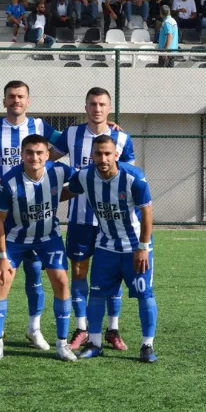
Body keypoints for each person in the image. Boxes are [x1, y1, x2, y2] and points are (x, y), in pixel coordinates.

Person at [0, 81, 61, 352]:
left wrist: (110, 128)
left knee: (34, 274)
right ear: (4, 101)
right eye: (11, 97)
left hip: (34, 215)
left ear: (28, 101)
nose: (16, 101)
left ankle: (34, 329)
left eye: (21, 96)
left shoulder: (41, 127)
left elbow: (68, 142)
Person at [51, 88, 135, 351]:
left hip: (113, 221)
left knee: (112, 275)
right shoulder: (72, 134)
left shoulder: (122, 138)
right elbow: (47, 157)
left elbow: (130, 174)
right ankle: (82, 328)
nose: (96, 108)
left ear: (109, 107)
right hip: (80, 217)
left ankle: (113, 329)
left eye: (101, 104)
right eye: (92, 104)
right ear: (85, 107)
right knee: (78, 271)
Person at [0, 134, 77, 362]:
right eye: (29, 152)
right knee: (1, 282)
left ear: (47, 155)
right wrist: (3, 255)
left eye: (39, 153)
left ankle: (62, 344)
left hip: (48, 237)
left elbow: (84, 179)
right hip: (15, 239)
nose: (34, 157)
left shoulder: (60, 171)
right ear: (21, 154)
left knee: (62, 281)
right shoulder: (10, 181)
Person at [66, 135, 157, 363]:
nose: (103, 158)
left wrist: (143, 247)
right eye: (98, 153)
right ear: (93, 155)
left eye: (108, 153)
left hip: (135, 247)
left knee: (144, 295)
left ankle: (147, 345)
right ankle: (95, 343)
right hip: (105, 246)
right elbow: (67, 191)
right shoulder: (86, 176)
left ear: (116, 154)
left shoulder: (133, 177)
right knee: (96, 294)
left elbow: (147, 212)